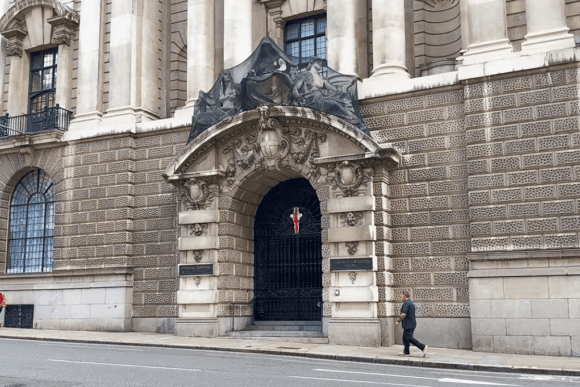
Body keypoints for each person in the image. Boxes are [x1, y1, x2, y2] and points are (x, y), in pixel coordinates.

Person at [396, 290, 428, 357]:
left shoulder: (406, 303)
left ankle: (423, 347)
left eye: (401, 296)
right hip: (411, 324)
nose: (401, 298)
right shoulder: (410, 302)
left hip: (408, 324)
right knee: (405, 338)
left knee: (409, 338)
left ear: (404, 296)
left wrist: (398, 321)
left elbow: (403, 314)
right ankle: (406, 352)